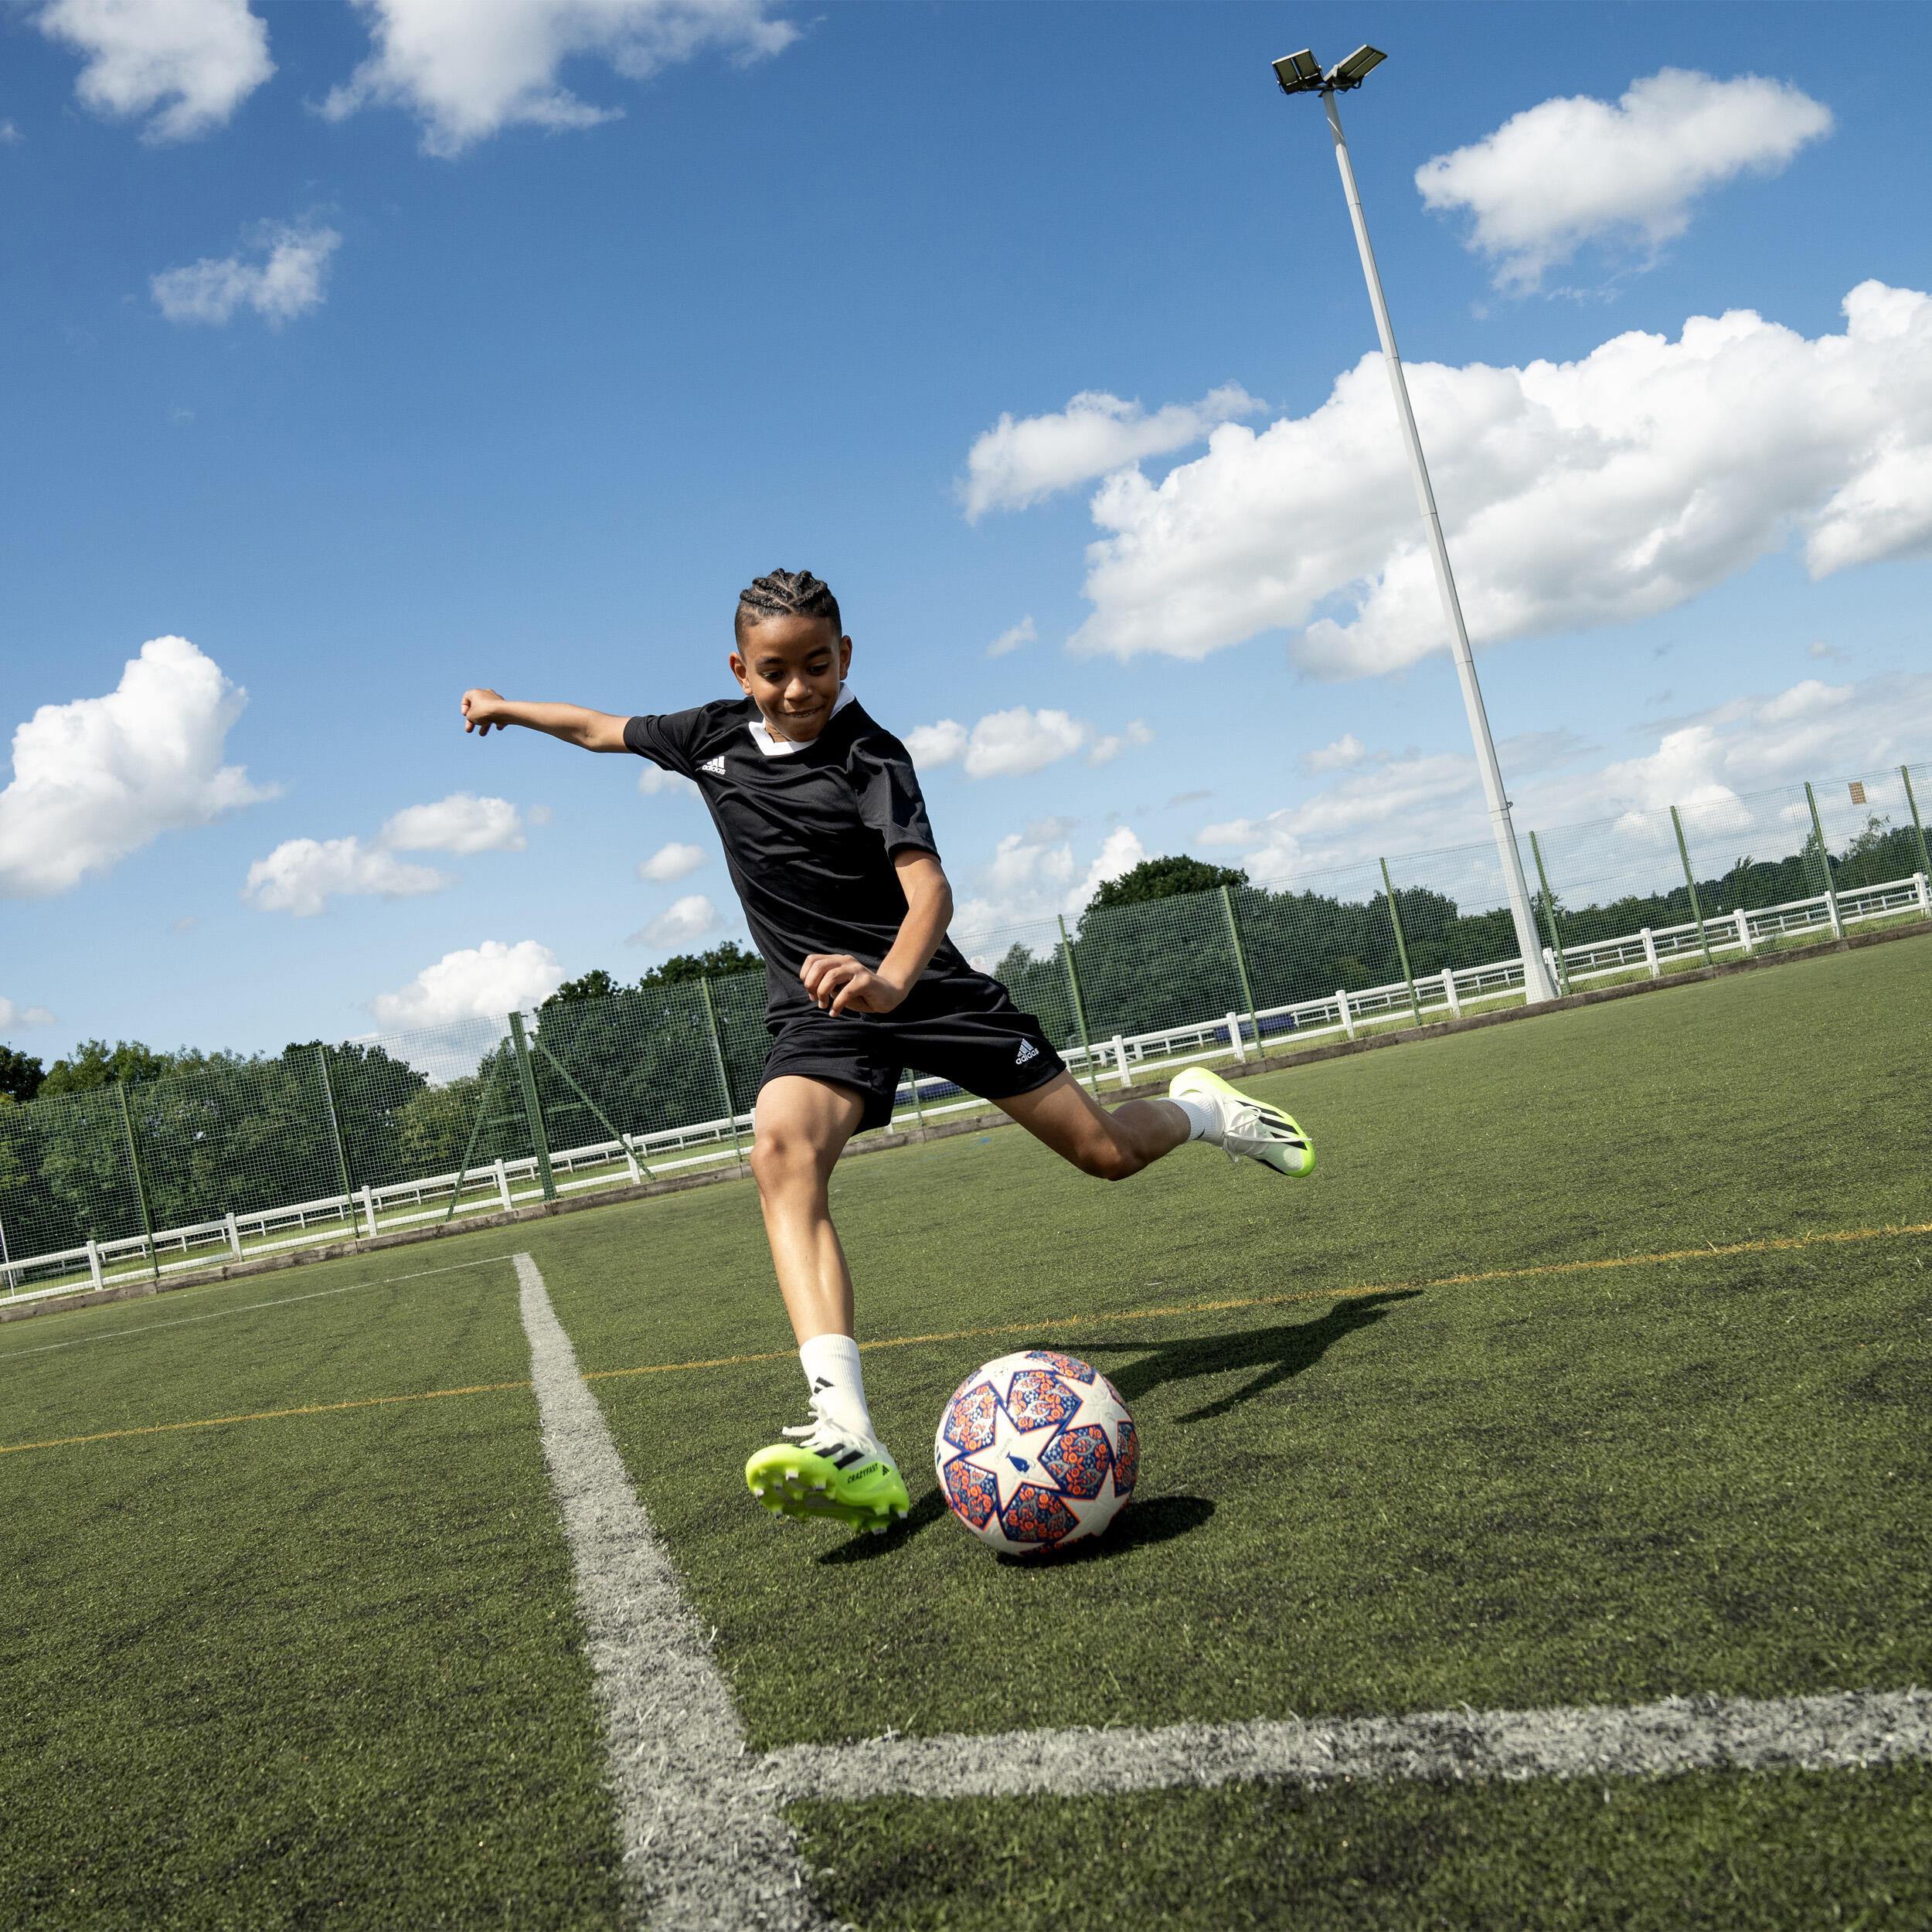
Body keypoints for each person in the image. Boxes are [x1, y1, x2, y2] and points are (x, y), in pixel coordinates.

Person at [460, 568, 1314, 1536]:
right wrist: (507, 709)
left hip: (925, 989)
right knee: (779, 1149)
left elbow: (929, 890)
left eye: (816, 666)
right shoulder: (708, 738)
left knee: (1106, 1153)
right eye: (775, 671)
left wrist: (893, 982)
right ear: (741, 670)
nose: (798, 689)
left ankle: (1203, 1109)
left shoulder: (872, 756)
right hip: (821, 1007)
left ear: (846, 658)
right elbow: (596, 728)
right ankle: (847, 1431)